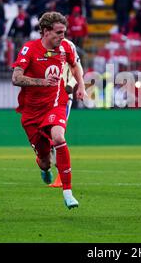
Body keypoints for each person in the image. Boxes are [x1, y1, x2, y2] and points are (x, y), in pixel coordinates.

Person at [11, 12, 86, 209]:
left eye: (64, 32)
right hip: (31, 113)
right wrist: (42, 82)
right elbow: (16, 78)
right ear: (45, 32)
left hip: (56, 104)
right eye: (58, 32)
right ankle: (44, 167)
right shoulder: (29, 49)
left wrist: (81, 86)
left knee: (59, 138)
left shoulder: (66, 47)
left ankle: (68, 193)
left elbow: (75, 65)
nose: (62, 36)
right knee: (45, 161)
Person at [48, 48, 84, 188]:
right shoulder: (40, 47)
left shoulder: (68, 47)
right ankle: (45, 163)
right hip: (44, 98)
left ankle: (60, 176)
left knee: (57, 135)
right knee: (45, 137)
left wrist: (70, 85)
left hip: (62, 98)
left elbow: (78, 69)